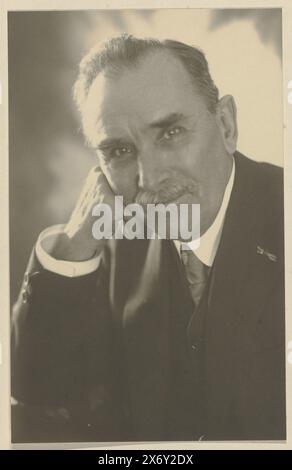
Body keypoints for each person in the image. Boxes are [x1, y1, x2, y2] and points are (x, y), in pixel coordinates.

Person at [11, 35, 285, 442]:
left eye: (171, 133)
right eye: (120, 151)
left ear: (226, 125)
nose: (149, 179)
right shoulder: (117, 235)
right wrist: (73, 242)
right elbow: (36, 394)